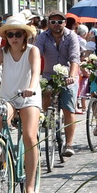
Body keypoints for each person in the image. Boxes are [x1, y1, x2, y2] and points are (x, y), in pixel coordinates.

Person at [0, 12, 42, 193]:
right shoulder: (1, 53)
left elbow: (36, 71)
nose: (14, 38)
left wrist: (31, 87)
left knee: (30, 137)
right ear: (6, 37)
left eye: (18, 34)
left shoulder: (32, 51)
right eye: (10, 34)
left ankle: (29, 186)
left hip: (29, 98)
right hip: (9, 97)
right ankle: (0, 154)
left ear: (25, 35)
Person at [35, 12, 82, 151]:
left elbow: (74, 59)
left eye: (59, 22)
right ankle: (48, 118)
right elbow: (37, 55)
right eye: (53, 22)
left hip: (67, 76)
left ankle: (69, 144)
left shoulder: (71, 36)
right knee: (46, 92)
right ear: (49, 23)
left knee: (68, 109)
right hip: (49, 75)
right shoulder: (43, 36)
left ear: (65, 23)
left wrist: (72, 76)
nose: (56, 25)